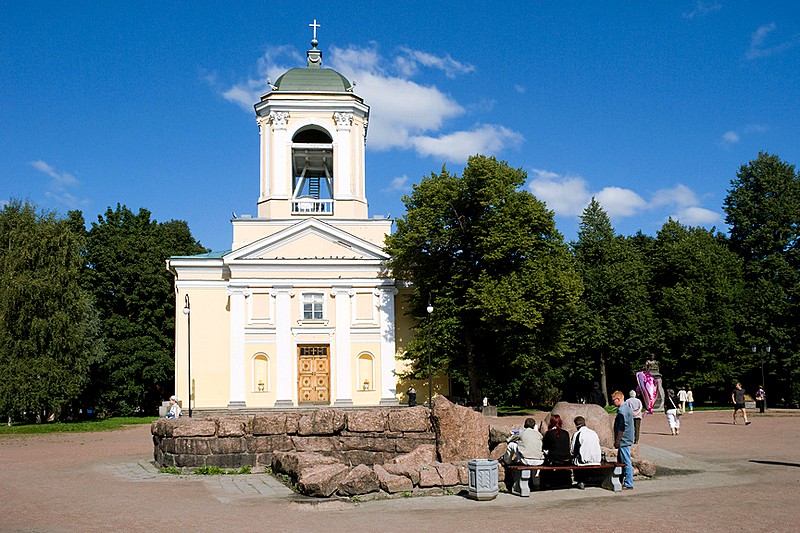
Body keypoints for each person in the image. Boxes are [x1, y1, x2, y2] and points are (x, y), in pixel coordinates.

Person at [570, 416, 602, 489]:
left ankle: (580, 481)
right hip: (597, 460)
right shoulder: (593, 433)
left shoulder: (577, 434)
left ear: (576, 425)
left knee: (575, 459)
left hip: (582, 462)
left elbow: (572, 450)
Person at [611, 390, 634, 490]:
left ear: (619, 399)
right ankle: (621, 479)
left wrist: (617, 440)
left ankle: (629, 482)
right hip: (627, 438)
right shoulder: (627, 408)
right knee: (622, 460)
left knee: (626, 461)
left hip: (624, 440)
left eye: (614, 400)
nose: (613, 402)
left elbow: (622, 427)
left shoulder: (622, 411)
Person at [541, 414, 571, 489]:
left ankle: (547, 482)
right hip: (566, 458)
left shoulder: (549, 433)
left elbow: (545, 448)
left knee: (545, 460)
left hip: (554, 458)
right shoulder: (566, 433)